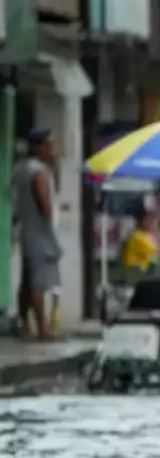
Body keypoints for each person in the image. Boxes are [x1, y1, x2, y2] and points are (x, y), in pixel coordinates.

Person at [13, 128, 62, 341]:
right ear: (38, 147)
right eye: (48, 144)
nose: (52, 149)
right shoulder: (39, 172)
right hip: (40, 232)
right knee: (39, 282)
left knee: (26, 280)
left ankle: (25, 325)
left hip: (25, 229)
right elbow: (45, 205)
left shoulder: (19, 169)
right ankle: (42, 327)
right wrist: (49, 216)